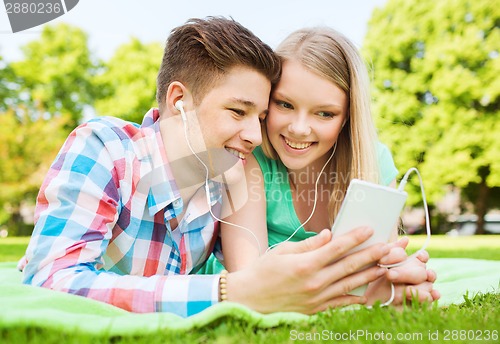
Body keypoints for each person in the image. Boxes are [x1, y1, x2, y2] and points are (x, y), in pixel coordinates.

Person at [17, 17, 396, 317]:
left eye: (260, 116)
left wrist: (375, 286)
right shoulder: (105, 149)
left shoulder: (221, 181)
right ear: (179, 100)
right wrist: (225, 292)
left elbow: (264, 281)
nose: (257, 136)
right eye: (238, 111)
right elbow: (50, 279)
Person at [216, 27, 440, 306]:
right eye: (285, 104)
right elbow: (250, 283)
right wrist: (363, 295)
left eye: (324, 113)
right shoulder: (251, 157)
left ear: (347, 117)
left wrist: (395, 281)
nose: (298, 128)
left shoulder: (373, 160)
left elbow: (376, 270)